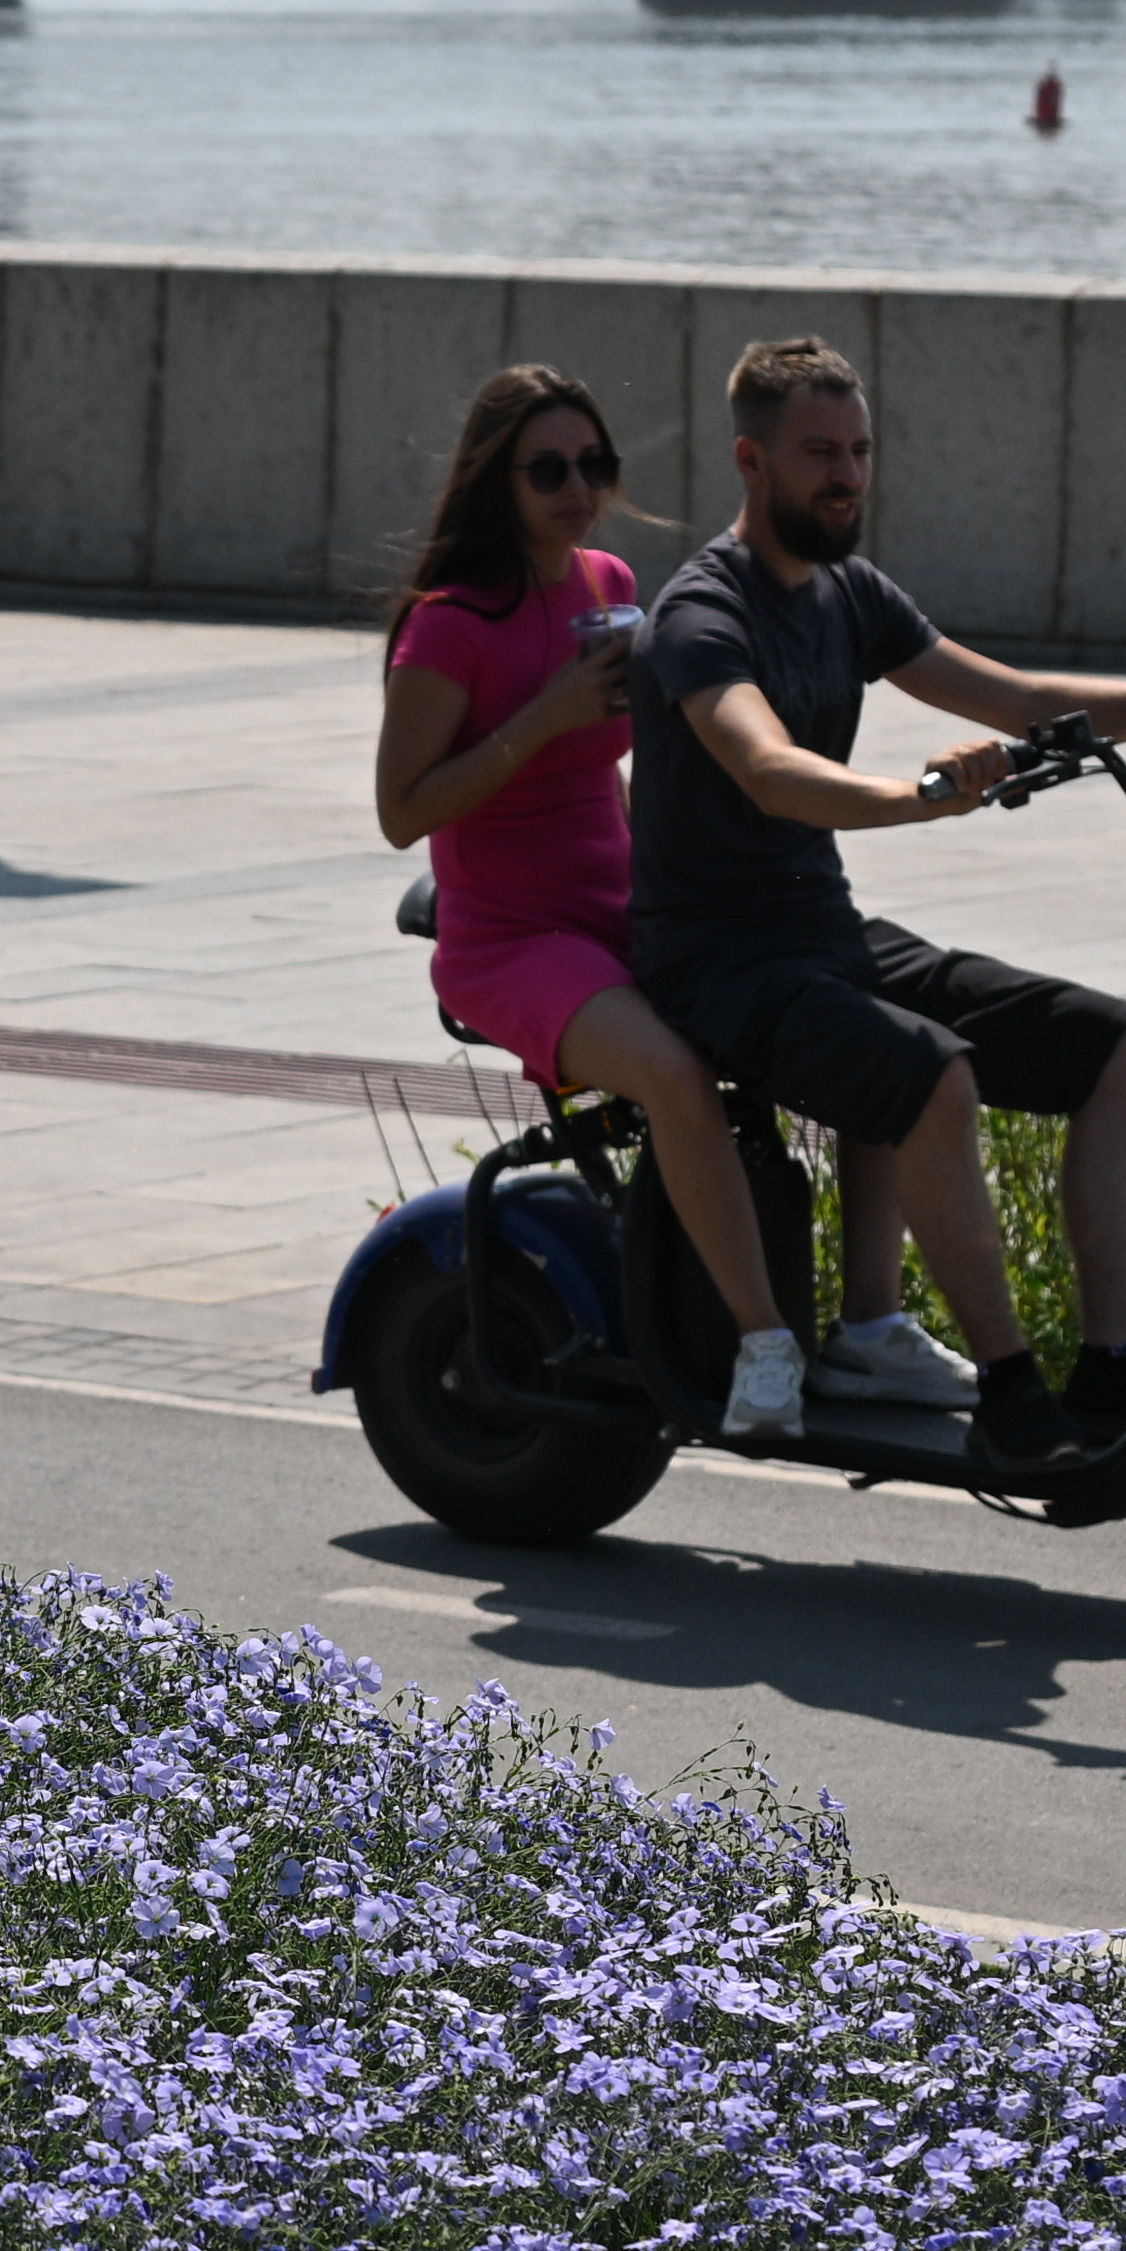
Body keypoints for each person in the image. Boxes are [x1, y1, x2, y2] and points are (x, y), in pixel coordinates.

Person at [618, 334, 1126, 1462]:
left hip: (823, 935)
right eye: (820, 452)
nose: (848, 476)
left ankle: (1111, 1363)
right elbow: (767, 770)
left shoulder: (847, 593)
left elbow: (1023, 698)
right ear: (751, 461)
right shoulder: (701, 614)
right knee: (933, 1074)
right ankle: (1010, 1392)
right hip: (715, 963)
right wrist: (919, 795)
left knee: (1117, 1045)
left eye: (860, 451)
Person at [373, 363, 812, 1446]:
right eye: (549, 471)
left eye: (594, 464)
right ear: (497, 480)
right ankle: (763, 1347)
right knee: (672, 1072)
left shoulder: (607, 580)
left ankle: (857, 1320)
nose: (579, 489)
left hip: (619, 901)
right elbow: (401, 810)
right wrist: (548, 709)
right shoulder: (448, 623)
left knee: (817, 1001)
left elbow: (604, 771)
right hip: (510, 936)